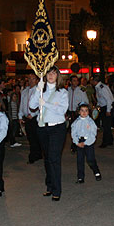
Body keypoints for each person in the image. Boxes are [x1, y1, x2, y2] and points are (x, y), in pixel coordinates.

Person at [29, 66, 68, 201]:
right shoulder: (40, 90)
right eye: (49, 73)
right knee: (47, 158)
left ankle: (57, 189)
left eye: (54, 73)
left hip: (57, 128)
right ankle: (50, 186)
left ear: (58, 76)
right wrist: (37, 90)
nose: (51, 75)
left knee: (54, 158)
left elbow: (61, 110)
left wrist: (46, 104)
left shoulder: (62, 92)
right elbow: (32, 106)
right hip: (42, 128)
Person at [70, 103, 102, 183]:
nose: (84, 112)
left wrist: (87, 142)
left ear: (89, 112)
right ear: (79, 112)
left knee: (90, 159)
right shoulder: (76, 122)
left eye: (86, 111)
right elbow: (73, 133)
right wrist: (77, 142)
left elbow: (93, 133)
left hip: (88, 142)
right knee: (80, 160)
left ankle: (96, 171)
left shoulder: (91, 122)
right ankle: (80, 177)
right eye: (82, 110)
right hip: (79, 142)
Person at [19, 74, 43, 164]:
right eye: (29, 79)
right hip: (27, 117)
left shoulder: (39, 90)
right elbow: (22, 104)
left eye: (33, 79)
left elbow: (40, 104)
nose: (31, 80)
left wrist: (33, 114)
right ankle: (35, 154)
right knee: (30, 137)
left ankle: (34, 155)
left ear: (37, 80)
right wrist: (20, 115)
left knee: (36, 137)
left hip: (35, 117)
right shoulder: (25, 91)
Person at [92, 76, 114, 148]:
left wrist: (108, 110)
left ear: (95, 81)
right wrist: (98, 105)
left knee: (106, 126)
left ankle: (105, 142)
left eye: (92, 81)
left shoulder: (102, 88)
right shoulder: (98, 87)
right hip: (103, 107)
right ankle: (110, 140)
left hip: (106, 107)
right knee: (106, 125)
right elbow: (100, 98)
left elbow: (109, 99)